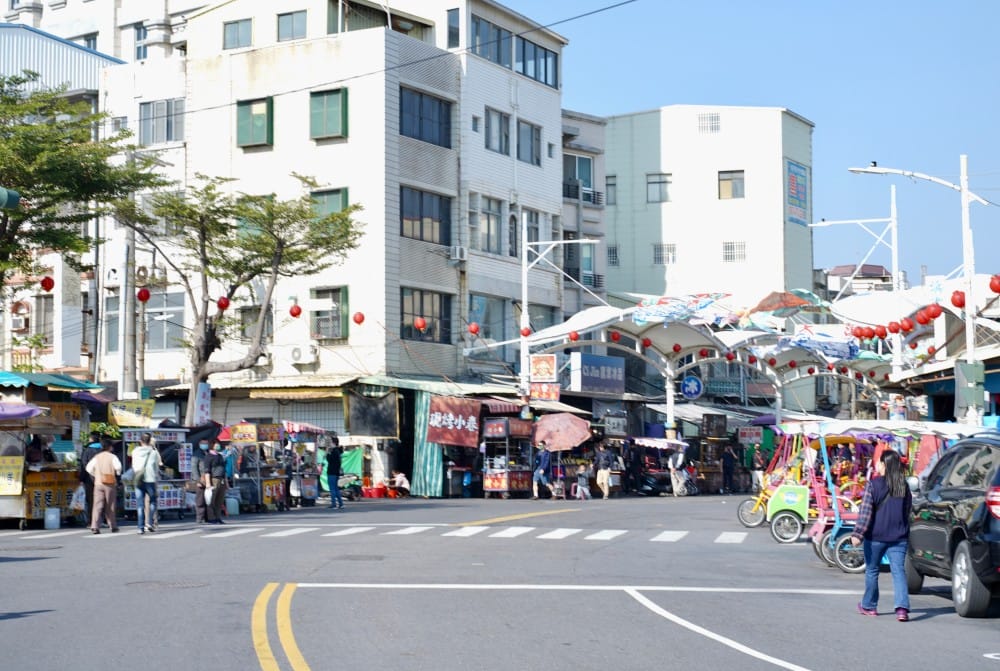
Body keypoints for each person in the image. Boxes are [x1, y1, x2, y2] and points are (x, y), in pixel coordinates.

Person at [851, 449, 912, 621]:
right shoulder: (904, 485)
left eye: (879, 461)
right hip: (899, 537)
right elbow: (907, 511)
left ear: (884, 465)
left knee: (872, 571)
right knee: (898, 572)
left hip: (876, 536)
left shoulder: (874, 485)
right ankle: (902, 609)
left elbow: (865, 512)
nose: (877, 464)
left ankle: (869, 606)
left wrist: (858, 534)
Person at [85, 439, 121, 534]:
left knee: (97, 505)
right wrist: (117, 473)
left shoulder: (96, 457)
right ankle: (112, 526)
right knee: (110, 505)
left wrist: (95, 474)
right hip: (110, 483)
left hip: (98, 483)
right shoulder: (113, 457)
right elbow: (118, 468)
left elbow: (88, 468)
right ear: (109, 447)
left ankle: (95, 526)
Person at [131, 432, 162, 535]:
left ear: (140, 441)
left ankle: (140, 527)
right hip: (150, 479)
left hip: (138, 479)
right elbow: (156, 467)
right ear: (150, 441)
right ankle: (149, 522)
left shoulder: (135, 451)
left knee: (140, 505)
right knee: (153, 501)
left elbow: (134, 466)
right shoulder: (153, 452)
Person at [77, 432, 102, 526]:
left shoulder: (87, 450)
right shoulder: (103, 450)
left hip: (89, 479)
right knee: (102, 499)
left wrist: (81, 479)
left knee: (91, 500)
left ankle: (91, 521)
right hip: (102, 478)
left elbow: (83, 465)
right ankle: (101, 520)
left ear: (91, 439)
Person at [203, 442, 228, 524]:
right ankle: (211, 518)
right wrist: (208, 483)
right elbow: (207, 471)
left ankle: (218, 517)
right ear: (212, 445)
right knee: (211, 500)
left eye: (218, 444)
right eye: (216, 444)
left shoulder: (220, 456)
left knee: (220, 500)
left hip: (221, 479)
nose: (218, 446)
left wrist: (226, 482)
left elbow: (224, 470)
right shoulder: (208, 457)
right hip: (213, 479)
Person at [190, 439, 209, 524]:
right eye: (203, 443)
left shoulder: (208, 453)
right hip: (201, 479)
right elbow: (194, 468)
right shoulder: (196, 454)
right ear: (199, 444)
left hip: (208, 478)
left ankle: (207, 517)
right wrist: (197, 480)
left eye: (206, 443)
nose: (205, 445)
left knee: (208, 499)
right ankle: (200, 518)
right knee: (200, 499)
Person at [326, 445, 343, 509]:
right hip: (336, 472)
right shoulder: (339, 452)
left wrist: (328, 453)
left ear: (333, 443)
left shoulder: (333, 452)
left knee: (332, 489)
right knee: (336, 489)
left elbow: (329, 460)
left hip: (331, 472)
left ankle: (334, 504)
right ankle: (340, 503)